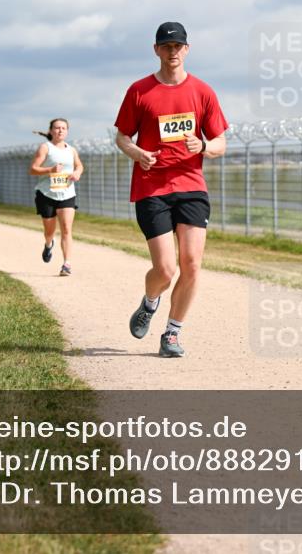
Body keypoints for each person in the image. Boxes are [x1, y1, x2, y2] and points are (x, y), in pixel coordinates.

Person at [114, 22, 228, 358]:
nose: (172, 51)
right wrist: (136, 152)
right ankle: (150, 303)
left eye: (178, 46)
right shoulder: (139, 91)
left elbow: (221, 141)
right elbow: (122, 136)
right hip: (152, 187)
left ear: (187, 50)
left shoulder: (203, 92)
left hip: (192, 186)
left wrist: (203, 146)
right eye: (166, 46)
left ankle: (172, 334)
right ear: (156, 50)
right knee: (165, 269)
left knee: (192, 264)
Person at [29, 119, 83, 276]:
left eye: (63, 128)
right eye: (57, 128)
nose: (60, 130)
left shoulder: (71, 150)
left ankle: (67, 264)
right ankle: (48, 244)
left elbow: (79, 165)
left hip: (67, 193)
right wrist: (50, 170)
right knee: (49, 231)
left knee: (66, 229)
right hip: (46, 194)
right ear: (51, 131)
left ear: (67, 131)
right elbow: (33, 169)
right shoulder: (45, 148)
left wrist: (77, 172)